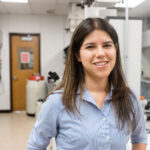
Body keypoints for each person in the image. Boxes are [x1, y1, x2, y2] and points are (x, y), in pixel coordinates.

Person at [27, 18, 147, 150]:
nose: (101, 53)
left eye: (107, 45)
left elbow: (140, 138)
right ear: (78, 55)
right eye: (90, 47)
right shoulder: (57, 102)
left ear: (116, 49)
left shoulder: (130, 98)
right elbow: (35, 146)